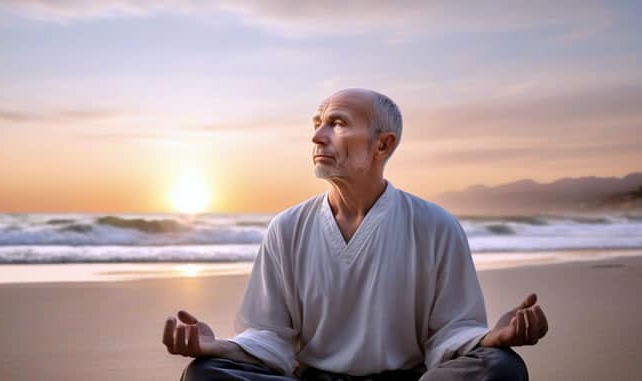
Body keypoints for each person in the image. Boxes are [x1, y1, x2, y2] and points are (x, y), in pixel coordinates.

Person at [162, 88, 549, 380]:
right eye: (318, 124)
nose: (318, 137)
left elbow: (451, 332)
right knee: (205, 374)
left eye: (339, 123)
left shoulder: (435, 225)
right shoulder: (287, 228)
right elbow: (271, 336)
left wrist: (491, 338)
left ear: (383, 144)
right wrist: (218, 347)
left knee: (501, 368)